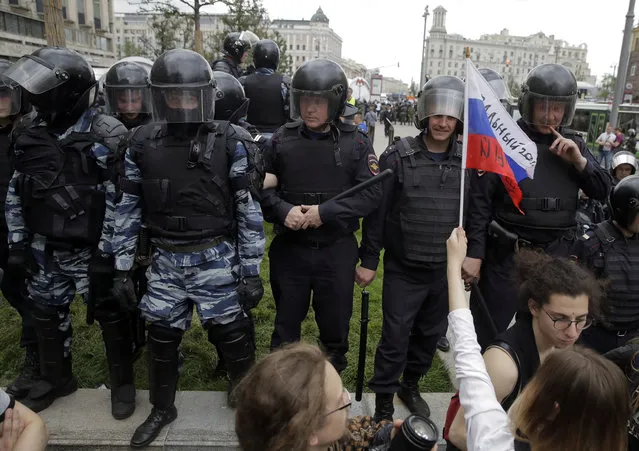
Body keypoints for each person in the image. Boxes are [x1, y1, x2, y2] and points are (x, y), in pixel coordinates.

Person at [113, 49, 265, 449]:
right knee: (161, 337)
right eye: (172, 96)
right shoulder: (141, 142)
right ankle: (163, 407)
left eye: (189, 95)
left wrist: (251, 271)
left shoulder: (231, 140)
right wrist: (120, 267)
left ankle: (248, 403)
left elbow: (248, 210)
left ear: (204, 96)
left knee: (232, 335)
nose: (181, 104)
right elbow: (127, 207)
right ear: (159, 97)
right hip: (164, 258)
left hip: (215, 255)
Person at [4, 47, 132, 416]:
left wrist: (109, 255)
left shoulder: (107, 134)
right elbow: (19, 190)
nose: (34, 95)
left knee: (111, 314)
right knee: (45, 314)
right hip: (45, 249)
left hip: (91, 249)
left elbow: (121, 201)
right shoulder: (28, 131)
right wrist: (17, 244)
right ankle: (56, 378)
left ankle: (122, 385)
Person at [463, 63, 612, 350]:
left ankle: (532, 391)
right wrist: (475, 254)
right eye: (543, 106)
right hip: (507, 257)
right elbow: (479, 203)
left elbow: (603, 190)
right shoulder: (505, 139)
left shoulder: (573, 145)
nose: (550, 115)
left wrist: (579, 163)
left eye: (557, 108)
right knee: (489, 333)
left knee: (545, 337)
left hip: (556, 257)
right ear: (528, 105)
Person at [446, 227, 630, 451]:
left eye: (582, 319)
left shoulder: (566, 348)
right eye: (560, 318)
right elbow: (458, 433)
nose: (572, 332)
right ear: (533, 306)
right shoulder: (503, 365)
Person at [261, 58, 381, 374]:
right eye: (305, 101)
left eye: (319, 102)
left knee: (335, 332)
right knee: (286, 328)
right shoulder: (280, 139)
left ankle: (329, 393)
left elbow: (372, 195)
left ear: (335, 101)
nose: (310, 109)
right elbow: (258, 187)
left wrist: (324, 214)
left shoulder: (356, 141)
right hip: (291, 251)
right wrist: (282, 211)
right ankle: (282, 394)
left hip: (336, 252)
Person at [357, 75, 466, 421]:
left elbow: (477, 212)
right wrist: (370, 259)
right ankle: (386, 399)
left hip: (443, 271)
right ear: (424, 115)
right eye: (437, 115)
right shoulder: (397, 157)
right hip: (405, 268)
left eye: (450, 116)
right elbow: (378, 214)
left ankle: (411, 384)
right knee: (395, 336)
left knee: (429, 334)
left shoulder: (468, 162)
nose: (443, 122)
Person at [234, 343, 436, 451]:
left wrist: (388, 437)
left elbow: (360, 432)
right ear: (309, 433)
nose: (348, 402)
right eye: (341, 402)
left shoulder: (325, 441)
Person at [0, 59, 38, 401]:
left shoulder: (28, 135)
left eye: (3, 96)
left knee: (29, 294)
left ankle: (35, 359)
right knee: (11, 289)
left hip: (23, 231)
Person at [571, 175, 639, 355]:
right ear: (625, 210)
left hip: (634, 337)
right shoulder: (592, 243)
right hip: (595, 338)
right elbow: (572, 293)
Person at [240, 39, 291, 134]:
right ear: (276, 59)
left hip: (249, 138)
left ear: (255, 58)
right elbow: (291, 115)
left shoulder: (243, 82)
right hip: (277, 138)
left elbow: (238, 115)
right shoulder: (284, 82)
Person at [103, 60, 152, 130]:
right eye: (123, 101)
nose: (129, 109)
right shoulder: (105, 125)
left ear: (143, 99)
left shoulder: (155, 125)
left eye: (134, 100)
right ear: (113, 100)